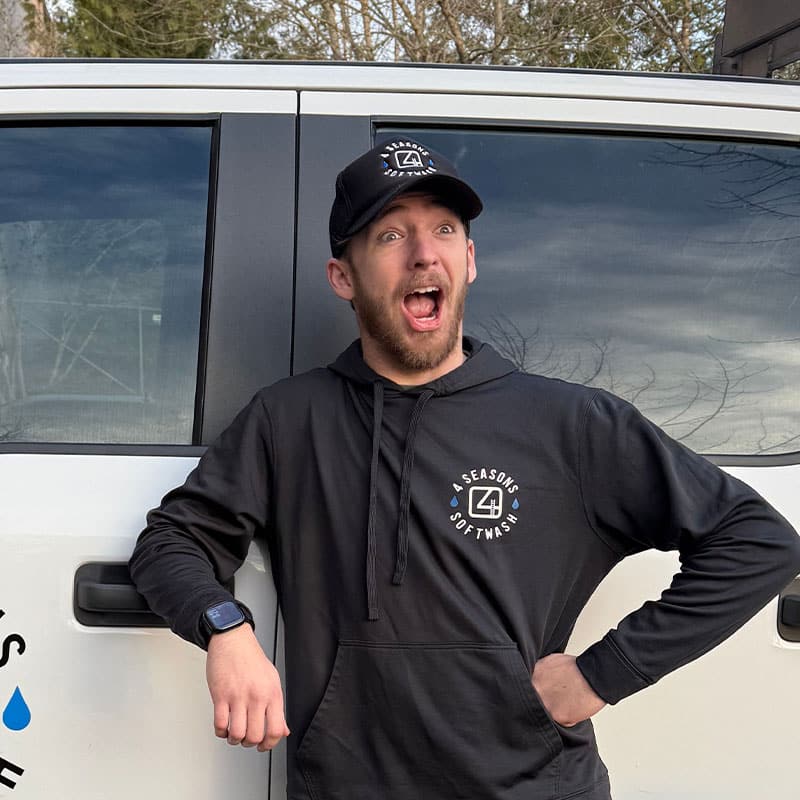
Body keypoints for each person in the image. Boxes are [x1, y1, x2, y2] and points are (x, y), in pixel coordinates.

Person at [129, 138, 800, 800]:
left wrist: (604, 672)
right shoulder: (289, 420)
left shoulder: (568, 423)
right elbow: (170, 543)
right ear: (344, 277)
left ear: (469, 260)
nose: (425, 252)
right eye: (390, 236)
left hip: (530, 788)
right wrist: (225, 627)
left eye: (445, 230)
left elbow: (757, 541)